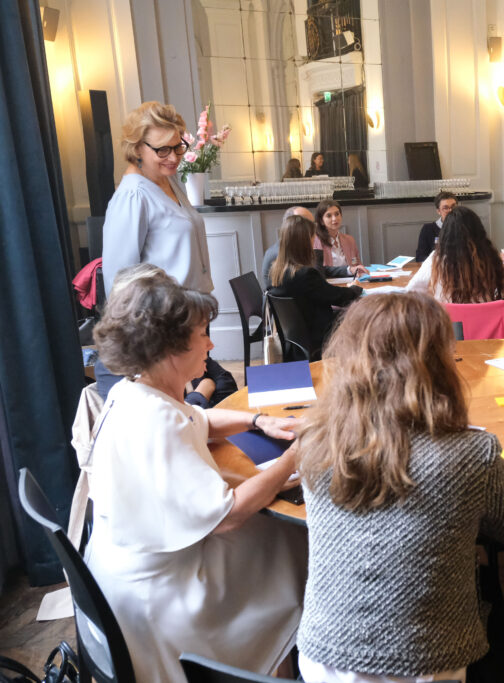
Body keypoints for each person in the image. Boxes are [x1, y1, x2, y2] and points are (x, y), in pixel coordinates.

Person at [295, 292, 504, 682]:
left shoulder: (315, 441)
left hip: (321, 654)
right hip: (422, 665)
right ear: (437, 362)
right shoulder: (468, 453)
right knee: (486, 579)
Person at [86, 265, 306, 683]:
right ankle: (275, 663)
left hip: (123, 576)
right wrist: (294, 457)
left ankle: (278, 657)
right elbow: (228, 515)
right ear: (169, 348)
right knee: (294, 544)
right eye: (201, 335)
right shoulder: (157, 419)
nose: (210, 342)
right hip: (161, 597)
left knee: (276, 535)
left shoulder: (133, 392)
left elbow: (199, 421)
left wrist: (257, 421)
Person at [99, 101, 214, 400]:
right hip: (165, 328)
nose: (174, 156)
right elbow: (121, 282)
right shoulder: (133, 195)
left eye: (178, 146)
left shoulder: (169, 182)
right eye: (162, 149)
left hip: (191, 316)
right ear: (136, 148)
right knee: (185, 410)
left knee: (199, 405)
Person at [268, 215, 363, 350]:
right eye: (313, 237)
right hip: (319, 334)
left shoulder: (277, 270)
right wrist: (355, 288)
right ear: (305, 241)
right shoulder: (305, 275)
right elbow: (338, 297)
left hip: (296, 337)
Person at [407, 206, 504, 303]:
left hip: (448, 327)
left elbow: (412, 291)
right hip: (486, 328)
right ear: (478, 231)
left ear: (445, 233)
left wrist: (436, 296)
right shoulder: (489, 258)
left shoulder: (436, 258)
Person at [261, 206, 366, 289]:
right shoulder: (282, 256)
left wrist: (348, 270)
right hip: (303, 314)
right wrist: (354, 289)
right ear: (292, 225)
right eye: (306, 224)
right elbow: (318, 285)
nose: (313, 229)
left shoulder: (285, 249)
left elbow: (317, 273)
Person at [314, 199, 363, 269]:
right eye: (329, 216)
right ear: (321, 221)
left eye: (337, 214)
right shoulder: (315, 242)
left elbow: (356, 264)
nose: (334, 219)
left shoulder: (349, 240)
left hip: (350, 279)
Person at [415, 191, 458, 261]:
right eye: (445, 208)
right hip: (436, 268)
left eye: (453, 207)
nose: (450, 211)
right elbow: (420, 257)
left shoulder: (466, 227)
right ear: (438, 211)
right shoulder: (428, 229)